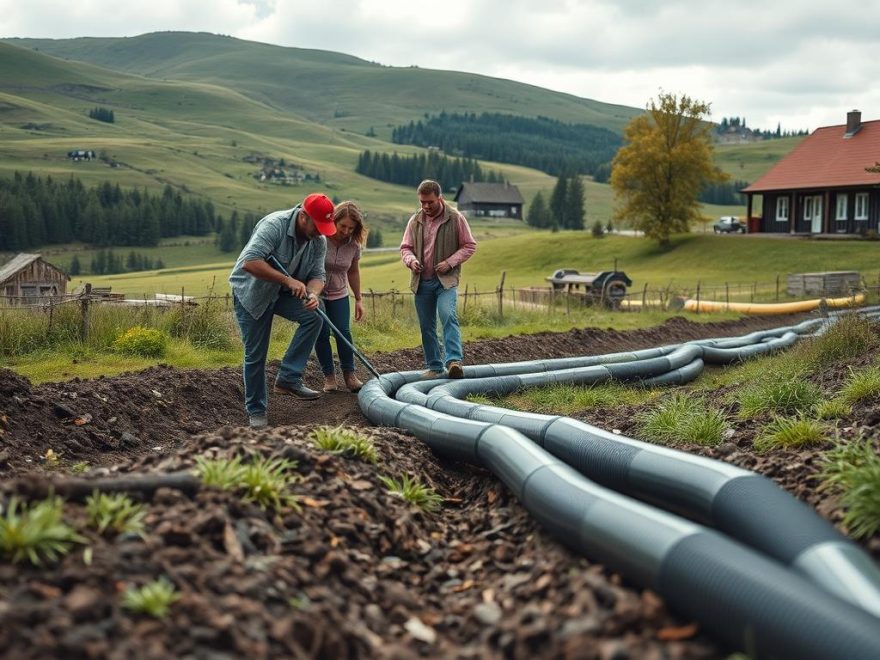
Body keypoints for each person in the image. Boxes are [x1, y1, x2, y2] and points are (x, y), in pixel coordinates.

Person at [229, 193, 336, 428]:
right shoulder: (274, 225)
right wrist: (287, 281)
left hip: (283, 293)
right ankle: (256, 411)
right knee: (256, 354)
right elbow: (250, 262)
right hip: (252, 293)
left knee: (315, 316)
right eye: (318, 226)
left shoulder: (319, 239)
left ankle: (288, 378)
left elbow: (318, 275)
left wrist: (313, 295)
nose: (321, 232)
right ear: (303, 216)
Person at [400, 179, 477, 379]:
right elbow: (405, 248)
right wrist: (411, 261)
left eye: (430, 202)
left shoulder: (456, 218)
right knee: (426, 325)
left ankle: (453, 362)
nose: (425, 206)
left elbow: (469, 245)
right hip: (422, 281)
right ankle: (434, 367)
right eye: (422, 202)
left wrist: (450, 262)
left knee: (447, 315)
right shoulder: (414, 220)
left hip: (446, 281)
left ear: (440, 199)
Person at [314, 200, 368, 393]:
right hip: (316, 294)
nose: (346, 231)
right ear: (334, 221)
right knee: (321, 334)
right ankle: (329, 377)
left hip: (339, 293)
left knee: (343, 333)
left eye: (350, 228)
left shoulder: (354, 245)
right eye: (342, 226)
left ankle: (350, 375)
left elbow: (353, 272)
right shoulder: (320, 237)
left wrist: (359, 299)